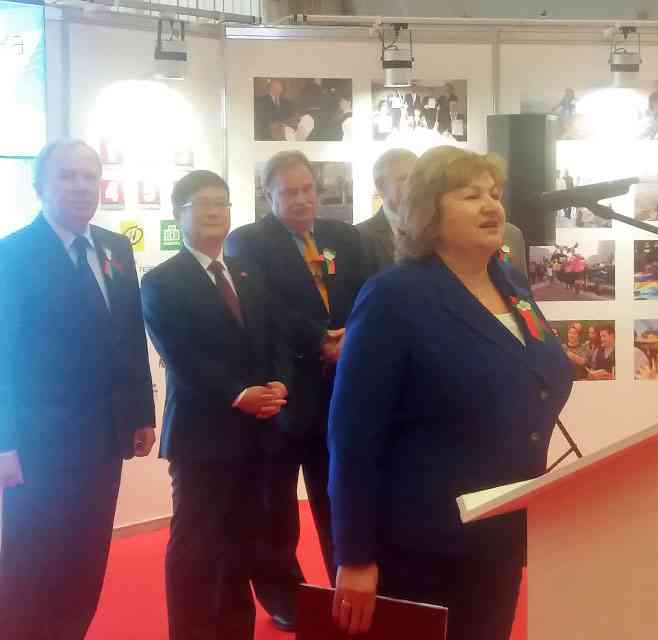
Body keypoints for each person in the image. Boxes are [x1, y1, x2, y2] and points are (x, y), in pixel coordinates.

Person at [328, 146, 573, 640]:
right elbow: (351, 438)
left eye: (494, 194)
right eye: (470, 195)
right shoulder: (394, 297)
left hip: (501, 529)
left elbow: (536, 368)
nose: (491, 206)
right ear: (428, 212)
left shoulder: (511, 283)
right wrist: (354, 557)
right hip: (422, 541)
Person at [0, 139, 156, 638]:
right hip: (38, 443)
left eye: (90, 176)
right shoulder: (12, 254)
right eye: (67, 176)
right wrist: (4, 443)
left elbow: (130, 334)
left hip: (104, 435)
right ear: (39, 186)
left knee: (88, 553)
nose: (81, 186)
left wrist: (141, 412)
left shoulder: (115, 247)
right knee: (32, 560)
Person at [225, 151, 376, 631]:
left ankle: (345, 589)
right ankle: (283, 596)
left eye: (307, 189)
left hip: (342, 391)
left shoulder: (344, 236)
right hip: (285, 391)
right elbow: (263, 307)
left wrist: (351, 338)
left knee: (339, 496)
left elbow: (370, 293)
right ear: (268, 195)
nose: (301, 199)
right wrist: (320, 340)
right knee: (276, 508)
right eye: (288, 192)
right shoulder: (247, 242)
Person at [141, 171, 290, 640]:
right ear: (178, 214)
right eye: (202, 203)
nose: (214, 212)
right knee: (197, 544)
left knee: (243, 540)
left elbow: (274, 335)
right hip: (202, 436)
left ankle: (233, 629)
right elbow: (180, 354)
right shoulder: (162, 281)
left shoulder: (247, 273)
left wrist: (279, 382)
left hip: (255, 434)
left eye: (222, 203)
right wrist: (238, 393)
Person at [357, 148, 418, 271]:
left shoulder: (435, 230)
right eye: (404, 178)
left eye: (418, 178)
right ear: (380, 186)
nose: (415, 185)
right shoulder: (359, 237)